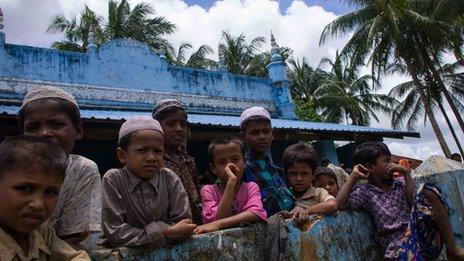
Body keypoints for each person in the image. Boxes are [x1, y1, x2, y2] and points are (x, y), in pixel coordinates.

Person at [337, 141, 464, 260]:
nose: (392, 164)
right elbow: (340, 203)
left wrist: (406, 173)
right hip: (397, 248)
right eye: (386, 161)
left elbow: (414, 199)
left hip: (420, 236)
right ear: (370, 167)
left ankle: (452, 249)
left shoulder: (401, 183)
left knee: (428, 190)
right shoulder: (365, 192)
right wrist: (353, 176)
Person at [18, 86, 101, 250]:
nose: (44, 133)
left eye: (55, 124)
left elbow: (75, 240)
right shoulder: (8, 169)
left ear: (77, 131)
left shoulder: (82, 169)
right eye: (33, 127)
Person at [101, 116, 196, 248]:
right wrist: (166, 232)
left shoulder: (169, 178)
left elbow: (183, 225)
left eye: (157, 151)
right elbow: (115, 234)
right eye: (142, 150)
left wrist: (143, 236)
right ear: (122, 155)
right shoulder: (113, 180)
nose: (151, 157)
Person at [0, 136, 89, 260]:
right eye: (25, 188)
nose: (38, 204)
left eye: (51, 192)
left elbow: (77, 257)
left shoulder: (42, 233)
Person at [194, 137, 267, 234]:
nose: (230, 166)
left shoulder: (251, 187)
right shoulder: (208, 190)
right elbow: (216, 218)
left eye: (235, 160)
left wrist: (218, 224)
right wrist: (231, 183)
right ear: (213, 168)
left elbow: (255, 213)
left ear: (244, 162)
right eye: (222, 162)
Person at [152, 99, 202, 224]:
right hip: (169, 229)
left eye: (183, 124)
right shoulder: (154, 162)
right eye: (171, 124)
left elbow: (197, 195)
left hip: (195, 226)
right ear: (157, 127)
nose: (179, 129)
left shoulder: (188, 160)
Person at [240, 106, 294, 216]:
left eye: (266, 131)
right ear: (243, 137)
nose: (261, 137)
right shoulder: (242, 171)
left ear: (272, 135)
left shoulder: (278, 172)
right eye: (254, 133)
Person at [282, 143, 337, 219]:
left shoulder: (318, 193)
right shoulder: (284, 195)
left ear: (313, 174)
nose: (299, 179)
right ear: (286, 174)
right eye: (293, 173)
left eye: (304, 174)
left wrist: (306, 211)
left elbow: (332, 204)